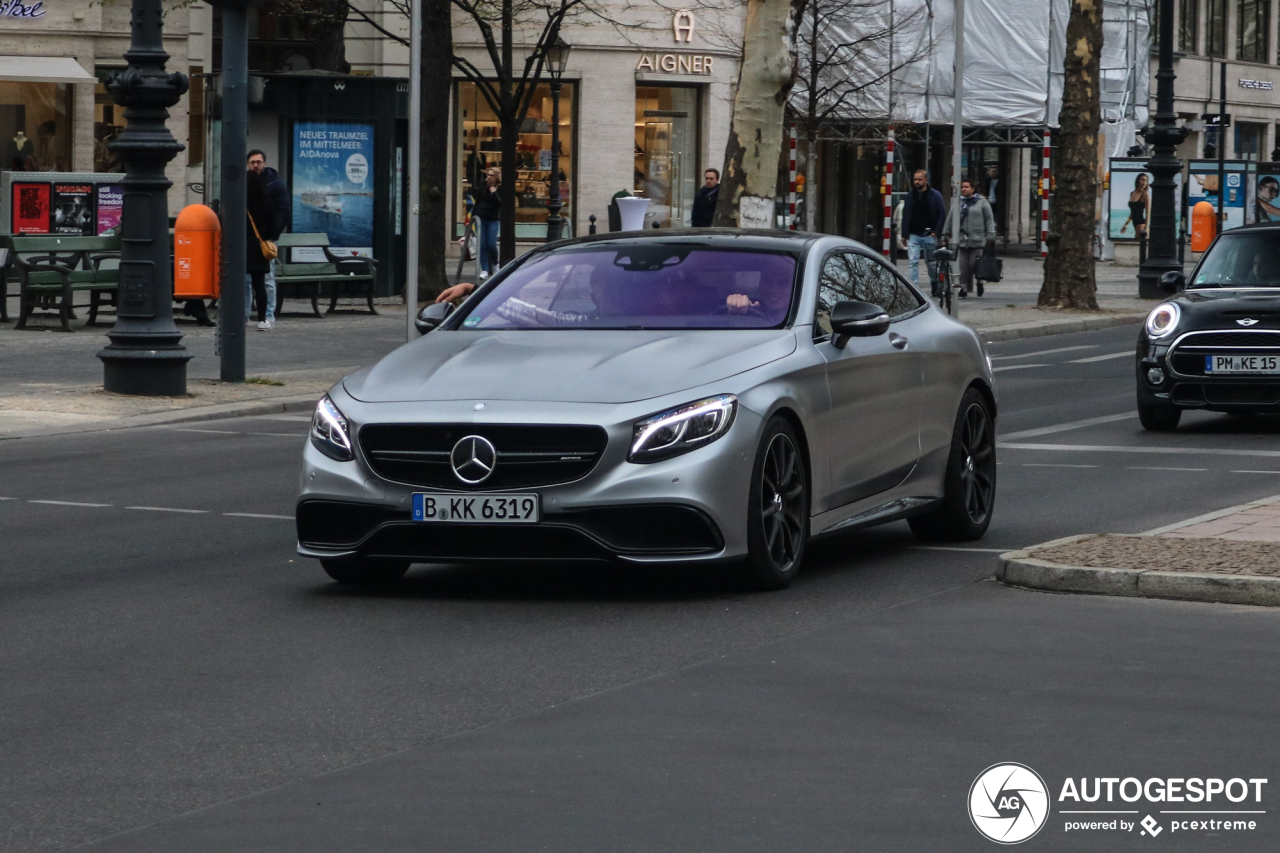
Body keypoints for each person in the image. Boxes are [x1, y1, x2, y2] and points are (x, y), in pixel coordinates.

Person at [247, 150, 290, 328]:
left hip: (263, 241)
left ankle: (268, 316)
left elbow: (282, 212)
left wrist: (272, 237)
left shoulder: (275, 185)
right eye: (252, 162)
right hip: (253, 241)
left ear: (264, 163)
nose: (255, 165)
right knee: (255, 281)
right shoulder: (246, 184)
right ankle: (256, 317)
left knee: (266, 280)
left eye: (258, 162)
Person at [942, 178, 996, 298]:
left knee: (974, 265)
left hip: (977, 239)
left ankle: (979, 282)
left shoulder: (982, 202)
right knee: (963, 267)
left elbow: (989, 219)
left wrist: (990, 234)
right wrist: (945, 232)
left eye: (966, 187)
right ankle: (963, 288)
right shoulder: (958, 202)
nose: (964, 189)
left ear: (973, 188)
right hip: (961, 240)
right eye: (962, 187)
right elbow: (950, 218)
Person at [901, 169, 946, 296]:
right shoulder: (910, 196)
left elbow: (942, 213)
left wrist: (936, 231)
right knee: (913, 261)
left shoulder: (935, 195)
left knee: (931, 263)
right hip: (914, 234)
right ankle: (914, 288)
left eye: (920, 179)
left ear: (926, 179)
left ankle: (934, 282)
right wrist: (905, 234)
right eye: (915, 179)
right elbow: (906, 214)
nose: (917, 182)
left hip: (929, 234)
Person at [245, 170, 278, 330]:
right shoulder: (266, 202)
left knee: (242, 284)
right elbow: (273, 228)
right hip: (259, 248)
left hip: (242, 248)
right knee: (260, 285)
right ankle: (263, 318)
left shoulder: (241, 203)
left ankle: (242, 317)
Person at [471, 168, 502, 279]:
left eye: (492, 175)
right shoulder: (482, 186)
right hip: (481, 219)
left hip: (493, 219)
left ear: (496, 177)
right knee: (482, 245)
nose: (489, 177)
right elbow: (478, 202)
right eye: (488, 175)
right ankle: (484, 269)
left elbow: (499, 204)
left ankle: (495, 264)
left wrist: (494, 192)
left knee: (491, 245)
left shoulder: (500, 188)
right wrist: (472, 218)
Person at [1119, 173, 1150, 238]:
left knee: (1140, 245)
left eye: (1146, 180)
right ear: (1138, 180)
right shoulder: (1132, 193)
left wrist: (1146, 227)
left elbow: (1148, 213)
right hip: (1135, 224)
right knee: (1137, 245)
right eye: (1142, 180)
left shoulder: (1145, 195)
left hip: (1141, 224)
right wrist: (1126, 224)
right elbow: (1133, 212)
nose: (1144, 182)